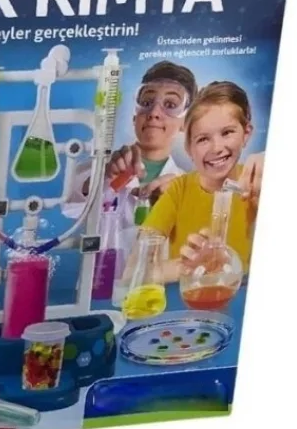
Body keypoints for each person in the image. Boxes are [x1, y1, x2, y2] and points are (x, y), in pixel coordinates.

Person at [63, 60, 197, 263]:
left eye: (170, 105)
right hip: (100, 280)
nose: (154, 113)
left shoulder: (186, 187)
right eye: (147, 102)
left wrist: (175, 208)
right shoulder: (96, 168)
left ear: (185, 123)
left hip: (154, 281)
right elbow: (70, 210)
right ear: (135, 116)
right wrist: (103, 178)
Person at [141, 80, 260, 280]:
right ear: (189, 148)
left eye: (227, 133)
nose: (217, 148)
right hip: (192, 295)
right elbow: (135, 269)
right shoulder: (178, 191)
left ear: (246, 134)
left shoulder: (256, 184)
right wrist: (185, 267)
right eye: (203, 139)